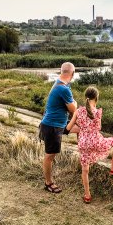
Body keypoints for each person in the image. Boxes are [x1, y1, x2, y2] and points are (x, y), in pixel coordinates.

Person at [66, 86, 113, 203]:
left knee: (85, 169)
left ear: (85, 97)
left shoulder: (78, 111)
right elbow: (99, 127)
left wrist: (80, 126)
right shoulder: (97, 112)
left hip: (83, 143)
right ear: (96, 97)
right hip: (95, 141)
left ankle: (87, 195)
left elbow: (68, 128)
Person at [40, 62, 78, 193]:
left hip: (58, 124)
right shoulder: (63, 89)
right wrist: (75, 103)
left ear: (61, 71)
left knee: (80, 127)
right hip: (53, 126)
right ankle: (48, 183)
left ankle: (83, 153)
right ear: (72, 74)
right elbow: (73, 110)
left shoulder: (61, 84)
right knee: (50, 156)